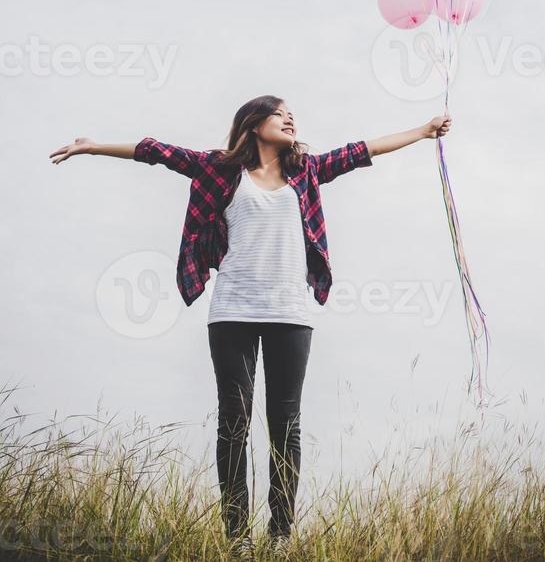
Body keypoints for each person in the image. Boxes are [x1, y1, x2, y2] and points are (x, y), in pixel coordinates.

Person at [49, 95, 451, 558]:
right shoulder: (220, 170)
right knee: (233, 425)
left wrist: (421, 131)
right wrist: (92, 146)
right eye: (280, 112)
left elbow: (363, 150)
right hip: (232, 313)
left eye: (292, 113)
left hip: (290, 315)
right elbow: (155, 151)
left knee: (286, 428)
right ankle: (236, 538)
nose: (290, 117)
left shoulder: (307, 171)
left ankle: (280, 536)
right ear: (254, 123)